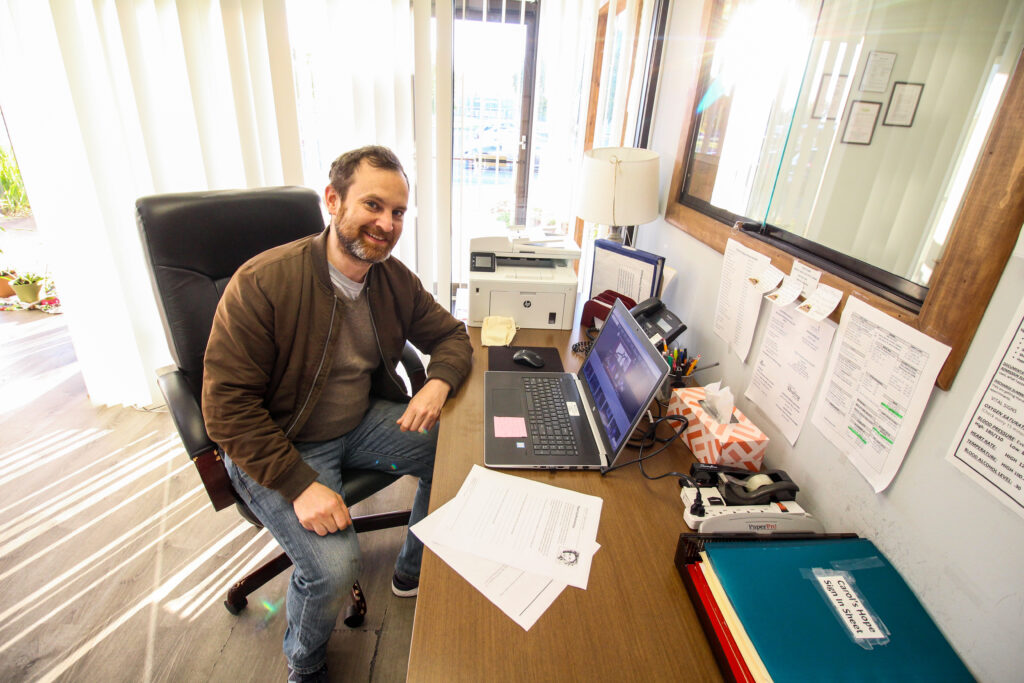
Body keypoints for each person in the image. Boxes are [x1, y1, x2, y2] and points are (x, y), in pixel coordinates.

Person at [202, 145, 472, 682]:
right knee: (333, 569)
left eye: (397, 212)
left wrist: (437, 382)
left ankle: (412, 570)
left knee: (456, 452)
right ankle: (304, 666)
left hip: (357, 422)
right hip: (279, 444)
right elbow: (225, 408)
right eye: (373, 205)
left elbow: (451, 335)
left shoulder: (392, 279)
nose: (386, 223)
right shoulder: (263, 282)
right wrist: (300, 484)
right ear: (333, 200)